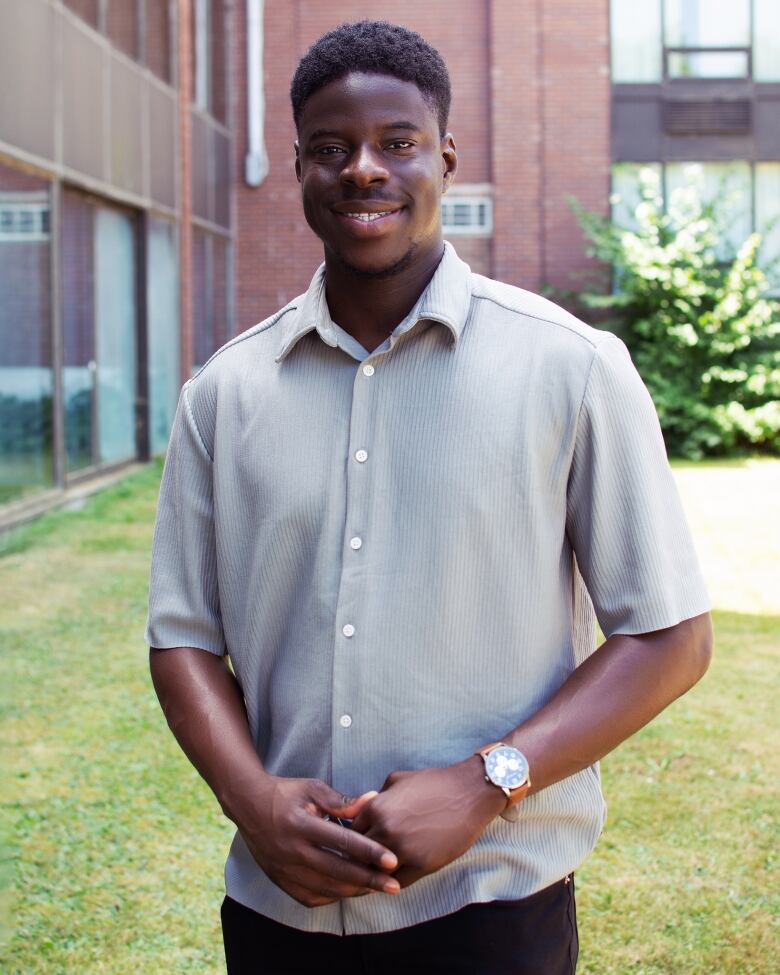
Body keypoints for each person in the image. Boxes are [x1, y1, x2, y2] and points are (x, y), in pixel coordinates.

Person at [146, 20, 713, 975]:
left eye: (396, 142)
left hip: (493, 908)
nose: (363, 168)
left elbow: (669, 636)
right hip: (281, 912)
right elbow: (183, 639)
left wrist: (488, 782)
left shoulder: (570, 368)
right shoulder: (225, 394)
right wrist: (254, 800)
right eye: (332, 148)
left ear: (444, 157)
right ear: (298, 169)